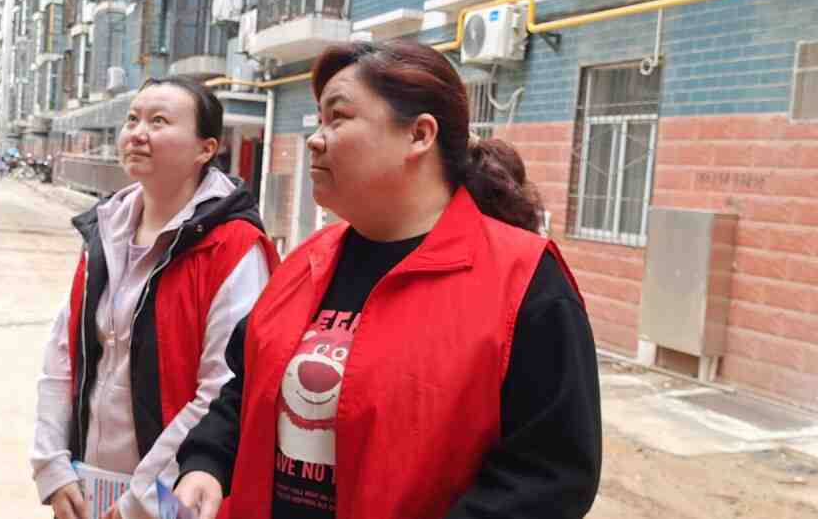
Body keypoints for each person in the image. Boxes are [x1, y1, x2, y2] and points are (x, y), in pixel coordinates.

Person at [173, 41, 602, 519]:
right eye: (319, 120)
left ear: (419, 135)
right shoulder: (306, 262)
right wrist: (206, 463)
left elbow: (551, 474)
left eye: (338, 118)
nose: (315, 139)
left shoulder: (524, 281)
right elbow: (246, 386)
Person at [32, 77, 279, 519]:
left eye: (159, 121)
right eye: (133, 119)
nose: (138, 133)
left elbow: (223, 388)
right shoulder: (105, 231)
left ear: (205, 149)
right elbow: (63, 353)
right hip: (86, 486)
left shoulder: (234, 249)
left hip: (175, 497)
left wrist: (142, 502)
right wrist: (52, 465)